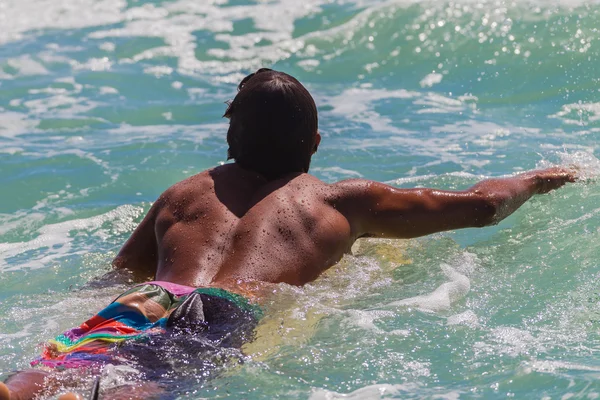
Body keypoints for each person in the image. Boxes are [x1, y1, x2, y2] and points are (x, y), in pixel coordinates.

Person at [0, 68, 576, 400]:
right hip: (221, 311)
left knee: (45, 376)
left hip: (144, 301)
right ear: (315, 143)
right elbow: (481, 207)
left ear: (231, 138)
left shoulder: (184, 194)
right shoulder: (339, 199)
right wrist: (538, 177)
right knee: (139, 390)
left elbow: (121, 273)